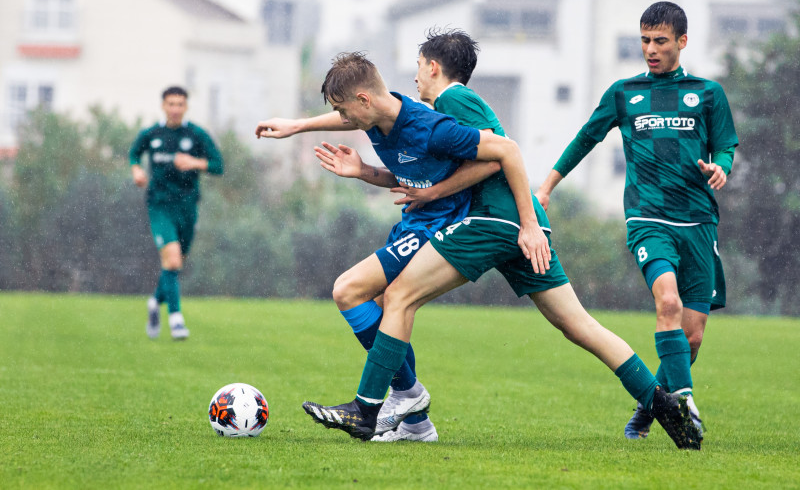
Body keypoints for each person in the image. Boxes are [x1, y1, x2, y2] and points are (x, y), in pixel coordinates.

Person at [298, 33, 702, 449]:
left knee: (398, 296)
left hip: (494, 222)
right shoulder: (446, 108)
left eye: (419, 66)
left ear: (433, 67)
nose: (415, 77)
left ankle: (370, 409)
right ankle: (666, 407)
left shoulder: (452, 100)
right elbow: (478, 158)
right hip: (525, 229)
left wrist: (523, 221)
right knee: (579, 326)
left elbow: (505, 151)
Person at [255, 52, 547, 442]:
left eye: (345, 111)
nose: (344, 121)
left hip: (439, 227)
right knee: (378, 310)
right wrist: (306, 132)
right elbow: (404, 178)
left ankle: (401, 397)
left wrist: (530, 223)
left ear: (364, 100)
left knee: (348, 289)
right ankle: (416, 424)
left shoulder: (431, 128)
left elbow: (505, 151)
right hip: (412, 223)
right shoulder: (378, 114)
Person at [535, 1, 738, 440]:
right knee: (667, 303)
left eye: (660, 41)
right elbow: (586, 137)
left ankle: (652, 406)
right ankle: (682, 405)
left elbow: (724, 146)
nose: (650, 49)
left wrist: (721, 166)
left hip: (699, 223)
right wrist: (547, 185)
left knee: (693, 337)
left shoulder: (707, 93)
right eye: (644, 40)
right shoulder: (623, 93)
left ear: (682, 42)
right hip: (648, 218)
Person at [129, 86, 224, 340]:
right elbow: (134, 153)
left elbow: (218, 165)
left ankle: (154, 302)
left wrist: (194, 163)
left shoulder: (196, 134)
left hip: (187, 207)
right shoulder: (152, 134)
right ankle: (176, 320)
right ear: (163, 106)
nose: (175, 109)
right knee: (171, 261)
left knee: (176, 263)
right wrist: (136, 170)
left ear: (186, 107)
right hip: (159, 205)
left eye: (180, 104)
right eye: (170, 104)